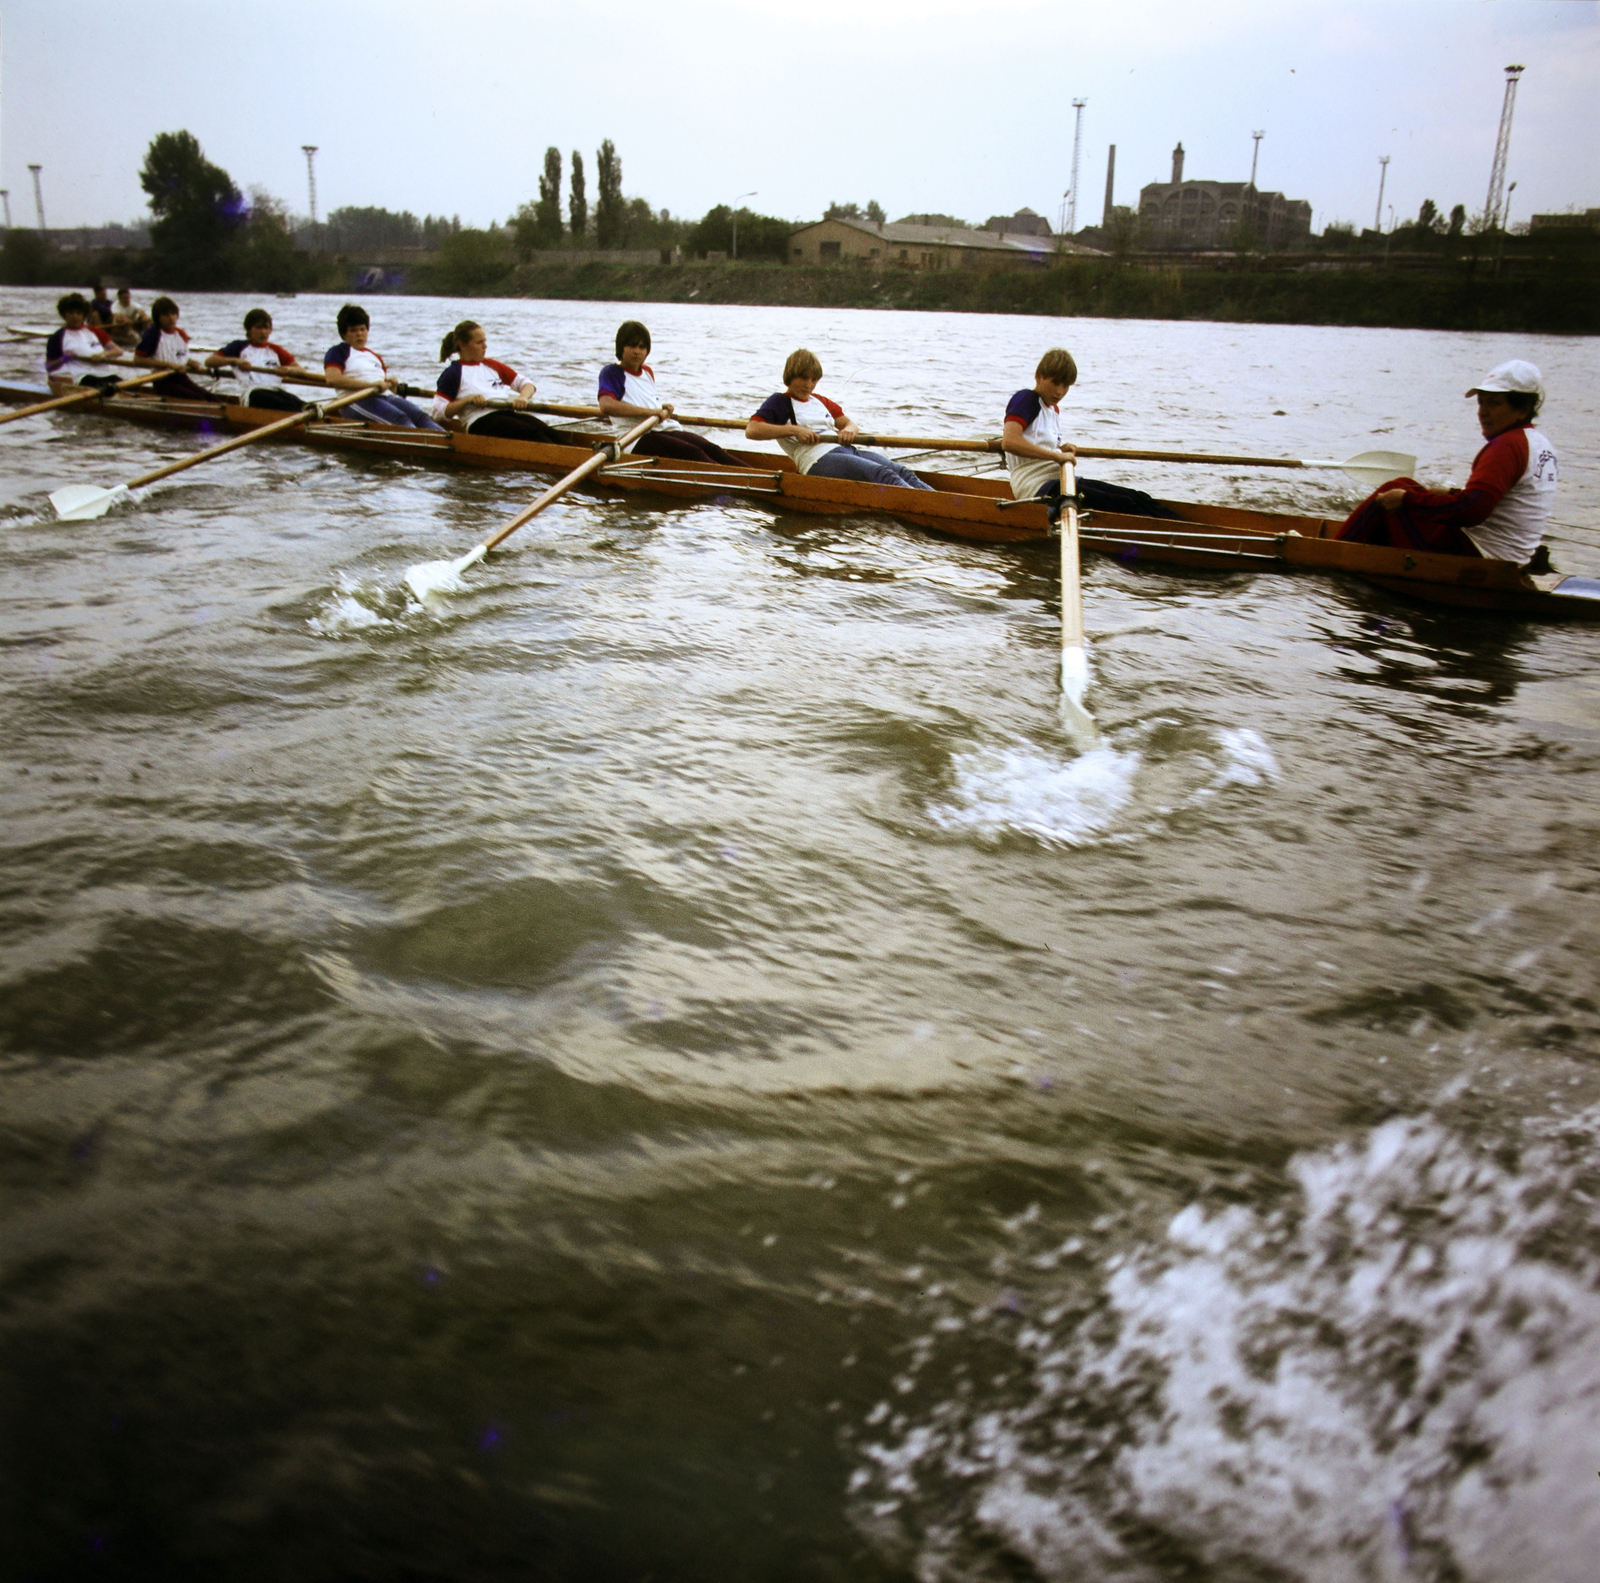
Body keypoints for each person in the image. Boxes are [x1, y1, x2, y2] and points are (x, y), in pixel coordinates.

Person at [1337, 360, 1558, 564]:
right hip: (1512, 558)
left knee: (1393, 490)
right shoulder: (1539, 444)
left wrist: (1408, 501)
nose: (1483, 413)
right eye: (1481, 403)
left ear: (1522, 409)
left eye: (1494, 403)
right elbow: (1495, 500)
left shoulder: (1507, 446)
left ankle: (1332, 555)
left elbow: (1472, 511)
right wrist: (1452, 493)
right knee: (1405, 484)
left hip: (1480, 558)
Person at [1001, 348, 1183, 521]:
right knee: (1124, 504)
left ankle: (1194, 531)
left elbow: (1036, 442)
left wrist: (1059, 449)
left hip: (1061, 479)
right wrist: (1056, 455)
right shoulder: (1027, 399)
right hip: (1036, 487)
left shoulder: (1053, 409)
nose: (1060, 391)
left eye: (1066, 385)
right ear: (1038, 377)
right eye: (1055, 383)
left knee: (1138, 497)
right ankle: (1172, 540)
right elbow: (1009, 442)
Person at [745, 349, 933, 489]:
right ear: (790, 376)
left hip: (845, 450)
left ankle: (940, 502)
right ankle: (929, 508)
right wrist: (794, 430)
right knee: (882, 474)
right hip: (816, 460)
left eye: (814, 379)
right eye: (803, 378)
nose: (809, 384)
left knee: (902, 472)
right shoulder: (780, 401)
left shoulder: (819, 400)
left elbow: (849, 424)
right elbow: (752, 430)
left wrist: (850, 430)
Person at [598, 321, 742, 465]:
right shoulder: (612, 372)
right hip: (634, 438)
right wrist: (651, 412)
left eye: (642, 347)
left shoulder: (647, 372)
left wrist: (660, 408)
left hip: (660, 429)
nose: (637, 351)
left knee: (711, 449)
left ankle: (755, 479)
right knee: (693, 453)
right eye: (632, 345)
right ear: (620, 347)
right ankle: (734, 483)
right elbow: (607, 406)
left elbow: (644, 400)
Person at [432, 320, 566, 442]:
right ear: (463, 345)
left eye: (485, 341)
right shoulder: (453, 373)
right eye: (479, 342)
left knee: (551, 433)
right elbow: (438, 412)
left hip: (505, 414)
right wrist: (467, 400)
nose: (485, 346)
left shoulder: (492, 365)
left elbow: (527, 384)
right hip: (480, 422)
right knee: (532, 433)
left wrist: (523, 398)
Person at [323, 303, 442, 429]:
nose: (359, 334)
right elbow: (333, 379)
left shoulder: (374, 356)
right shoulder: (337, 352)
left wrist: (391, 385)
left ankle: (448, 442)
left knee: (421, 416)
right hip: (353, 401)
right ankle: (424, 445)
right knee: (400, 419)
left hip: (384, 398)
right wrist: (371, 385)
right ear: (344, 334)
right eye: (353, 330)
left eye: (362, 329)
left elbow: (384, 385)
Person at [205, 309, 308, 412]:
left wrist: (287, 369)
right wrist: (236, 361)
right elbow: (209, 361)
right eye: (258, 327)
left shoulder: (276, 350)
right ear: (249, 329)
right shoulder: (238, 346)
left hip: (276, 391)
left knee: (303, 405)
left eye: (266, 328)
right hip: (253, 393)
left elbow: (301, 370)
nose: (263, 332)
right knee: (288, 407)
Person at [132, 298, 221, 403]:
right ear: (158, 317)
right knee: (197, 399)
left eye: (173, 314)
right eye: (166, 315)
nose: (171, 318)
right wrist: (169, 365)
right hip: (162, 380)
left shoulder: (181, 334)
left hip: (180, 377)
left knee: (210, 397)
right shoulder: (152, 334)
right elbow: (137, 360)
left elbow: (180, 356)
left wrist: (190, 362)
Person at [45, 292, 125, 394]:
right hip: (84, 377)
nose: (75, 317)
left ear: (84, 315)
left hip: (106, 374)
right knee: (100, 385)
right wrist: (65, 358)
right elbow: (49, 367)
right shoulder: (57, 337)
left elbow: (118, 351)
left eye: (78, 313)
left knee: (126, 386)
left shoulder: (95, 331)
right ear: (64, 314)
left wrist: (104, 354)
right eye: (71, 312)